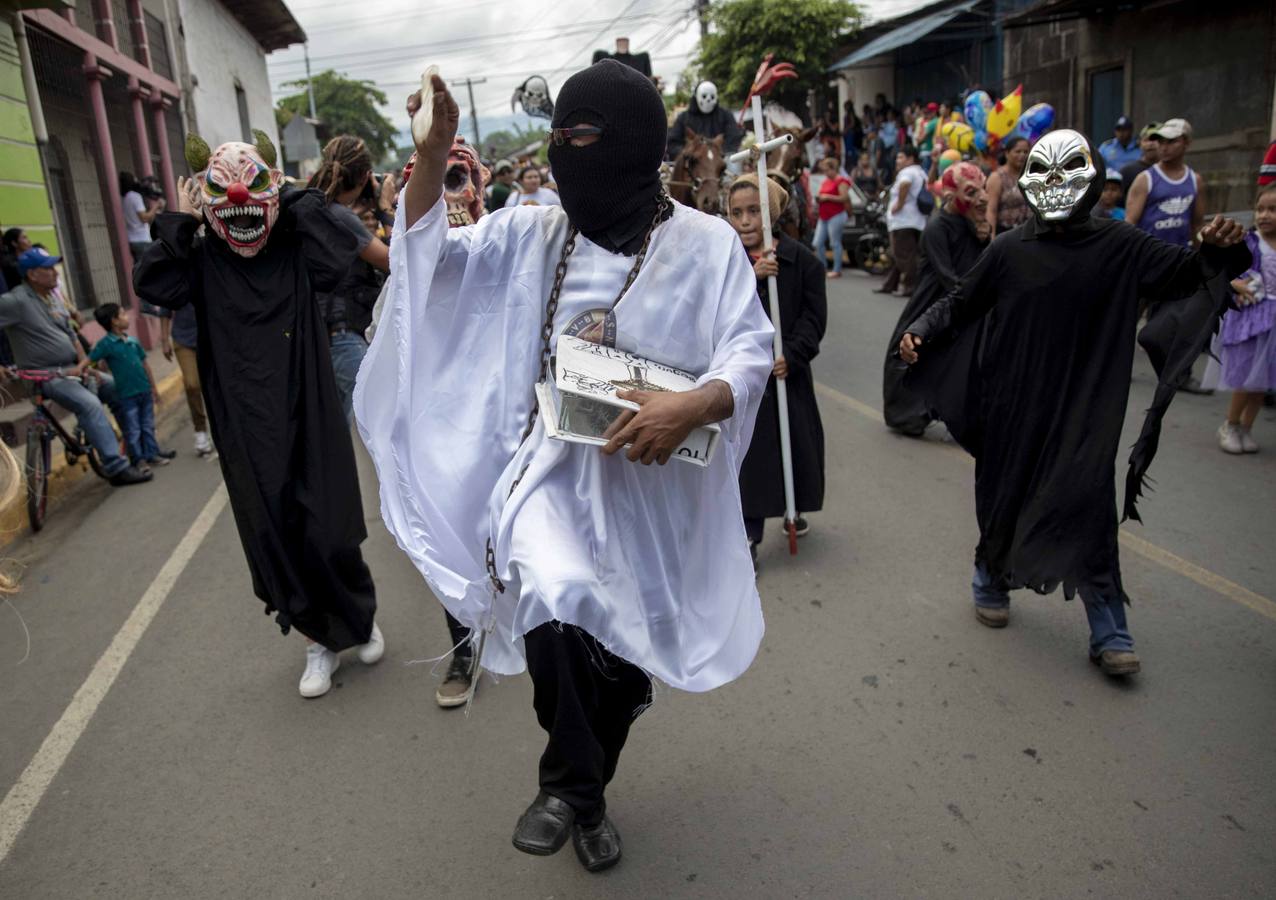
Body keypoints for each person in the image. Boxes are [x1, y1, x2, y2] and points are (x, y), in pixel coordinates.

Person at [357, 61, 772, 873]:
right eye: (556, 138)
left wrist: (694, 405)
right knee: (552, 598)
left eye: (581, 138)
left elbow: (749, 350)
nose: (563, 154)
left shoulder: (707, 245)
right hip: (549, 474)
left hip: (652, 487)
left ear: (634, 144)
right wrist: (433, 161)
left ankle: (588, 795)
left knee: (618, 665)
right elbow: (427, 261)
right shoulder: (532, 232)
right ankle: (567, 788)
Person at [898, 130, 1250, 677]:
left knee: (1088, 504)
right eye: (1047, 173)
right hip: (1012, 402)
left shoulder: (1121, 245)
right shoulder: (1009, 249)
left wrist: (1217, 248)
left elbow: (1185, 273)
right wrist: (921, 328)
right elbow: (961, 300)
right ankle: (990, 575)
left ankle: (1108, 623)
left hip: (1086, 405)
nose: (1057, 184)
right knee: (1004, 493)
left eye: (1069, 173)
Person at [134, 129, 384, 699]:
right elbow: (155, 284)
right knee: (277, 528)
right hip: (246, 417)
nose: (240, 203)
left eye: (253, 191)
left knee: (329, 525)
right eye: (225, 192)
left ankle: (359, 618)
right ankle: (316, 641)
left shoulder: (295, 243)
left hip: (308, 403)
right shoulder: (201, 256)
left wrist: (284, 193)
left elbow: (338, 257)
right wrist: (182, 221)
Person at [727, 174, 825, 566]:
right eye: (737, 212)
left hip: (787, 377)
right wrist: (751, 279)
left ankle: (793, 507)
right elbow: (716, 310)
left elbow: (813, 319)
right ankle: (749, 535)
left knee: (794, 448)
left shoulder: (803, 262)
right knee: (751, 460)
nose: (745, 221)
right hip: (744, 378)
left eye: (755, 211)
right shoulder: (727, 260)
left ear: (772, 213)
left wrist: (793, 354)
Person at [1, 248, 150, 486]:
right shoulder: (16, 301)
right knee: (89, 404)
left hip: (73, 369)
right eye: (48, 268)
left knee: (116, 388)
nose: (54, 273)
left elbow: (71, 334)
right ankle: (116, 467)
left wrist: (84, 365)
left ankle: (136, 451)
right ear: (32, 274)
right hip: (46, 376)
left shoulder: (52, 298)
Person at [883, 161, 990, 436]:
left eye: (983, 190)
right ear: (951, 196)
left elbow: (978, 265)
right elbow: (946, 274)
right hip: (936, 301)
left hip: (959, 301)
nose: (982, 198)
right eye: (972, 192)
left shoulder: (971, 223)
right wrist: (967, 300)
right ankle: (907, 414)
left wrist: (983, 237)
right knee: (915, 352)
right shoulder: (937, 227)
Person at [307, 136, 391, 425]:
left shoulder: (318, 208)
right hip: (344, 337)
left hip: (326, 333)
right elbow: (395, 261)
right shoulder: (340, 216)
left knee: (343, 426)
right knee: (371, 421)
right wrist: (385, 207)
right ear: (365, 176)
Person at [1207, 183, 1276, 453]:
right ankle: (1231, 424)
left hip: (1273, 323)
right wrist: (1237, 284)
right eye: (1260, 209)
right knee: (1246, 378)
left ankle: (1247, 427)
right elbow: (1224, 271)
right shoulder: (1249, 242)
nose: (1264, 215)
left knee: (1263, 380)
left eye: (1273, 209)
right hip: (1250, 320)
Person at [88, 303, 174, 468]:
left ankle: (151, 454)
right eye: (123, 314)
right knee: (133, 429)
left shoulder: (133, 342)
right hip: (126, 395)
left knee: (147, 425)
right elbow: (91, 360)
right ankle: (138, 460)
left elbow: (145, 365)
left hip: (144, 391)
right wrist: (92, 370)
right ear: (114, 321)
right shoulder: (106, 344)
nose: (127, 317)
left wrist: (153, 388)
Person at [1126, 119, 1200, 249]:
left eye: (1171, 141)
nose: (1164, 147)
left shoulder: (1195, 180)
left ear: (1186, 143)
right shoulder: (1145, 179)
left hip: (1182, 256)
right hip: (1150, 256)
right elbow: (1129, 225)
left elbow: (1197, 226)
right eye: (1161, 141)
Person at [876, 145, 927, 296]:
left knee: (904, 256)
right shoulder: (920, 172)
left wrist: (899, 204)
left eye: (900, 157)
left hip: (903, 221)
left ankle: (910, 287)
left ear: (910, 159)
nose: (897, 160)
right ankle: (890, 284)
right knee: (899, 254)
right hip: (916, 220)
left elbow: (905, 184)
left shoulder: (907, 172)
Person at [168, 303, 212, 457]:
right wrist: (164, 339)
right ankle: (200, 431)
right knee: (192, 384)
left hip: (210, 334)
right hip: (183, 337)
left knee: (215, 385)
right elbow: (165, 308)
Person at [666, 80, 743, 160]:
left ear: (716, 97)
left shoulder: (726, 116)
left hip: (720, 161)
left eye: (712, 97)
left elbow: (733, 138)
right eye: (704, 96)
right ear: (697, 96)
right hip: (693, 163)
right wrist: (688, 153)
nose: (708, 100)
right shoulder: (683, 118)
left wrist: (721, 153)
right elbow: (673, 143)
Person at [812, 156, 851, 278]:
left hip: (836, 215)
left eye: (827, 170)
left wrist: (827, 197)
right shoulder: (826, 181)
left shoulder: (841, 181)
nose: (825, 173)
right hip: (824, 216)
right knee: (817, 243)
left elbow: (844, 197)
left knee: (835, 243)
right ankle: (822, 267)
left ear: (834, 169)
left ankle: (837, 269)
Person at [985, 136, 1032, 234]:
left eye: (1025, 152)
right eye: (1018, 151)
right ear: (1007, 153)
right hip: (1006, 233)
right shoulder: (997, 177)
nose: (1022, 155)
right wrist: (991, 236)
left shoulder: (1032, 175)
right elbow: (991, 210)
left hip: (1029, 232)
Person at [119, 171, 163, 260]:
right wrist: (156, 206)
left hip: (132, 240)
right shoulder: (135, 196)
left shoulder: (124, 198)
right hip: (142, 239)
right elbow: (144, 218)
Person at [1118, 123, 1160, 207]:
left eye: (1154, 139)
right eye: (1146, 140)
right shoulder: (1127, 172)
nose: (1150, 144)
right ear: (1140, 144)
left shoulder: (1173, 172)